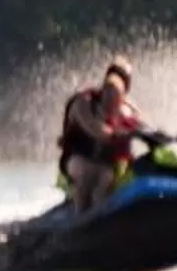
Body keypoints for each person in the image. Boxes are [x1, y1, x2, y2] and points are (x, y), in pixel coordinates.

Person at [58, 60, 147, 211]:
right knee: (87, 173)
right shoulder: (83, 102)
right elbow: (94, 128)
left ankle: (108, 215)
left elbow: (144, 127)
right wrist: (116, 132)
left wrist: (163, 137)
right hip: (77, 160)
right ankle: (81, 218)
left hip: (106, 165)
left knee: (107, 179)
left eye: (125, 79)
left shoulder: (128, 109)